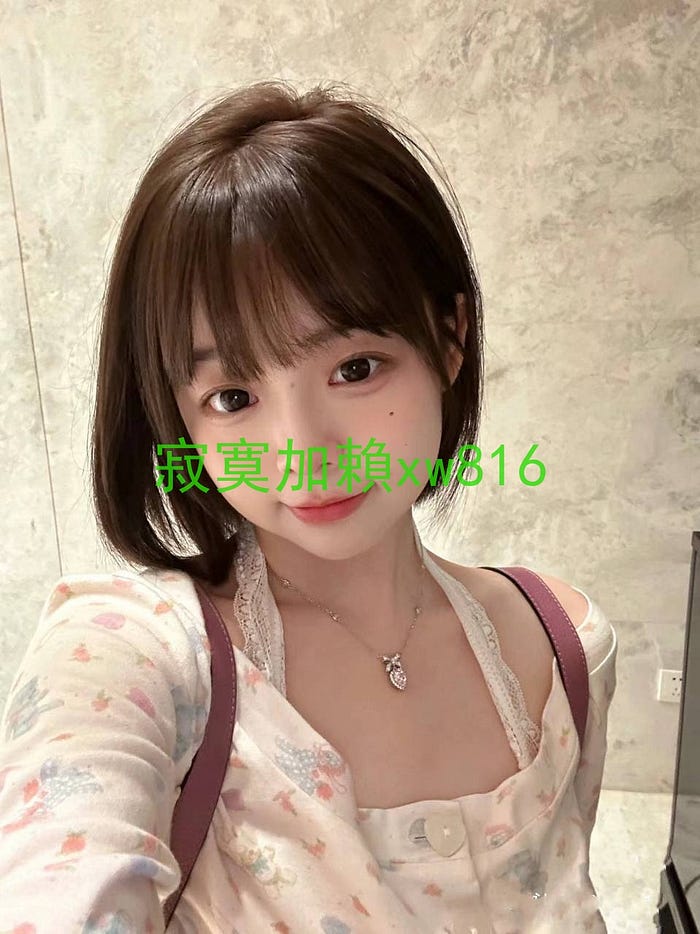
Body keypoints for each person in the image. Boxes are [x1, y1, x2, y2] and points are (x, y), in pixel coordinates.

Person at [0, 80, 617, 932]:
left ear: (449, 337)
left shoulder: (564, 649)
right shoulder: (135, 656)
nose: (303, 452)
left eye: (355, 368)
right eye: (232, 396)